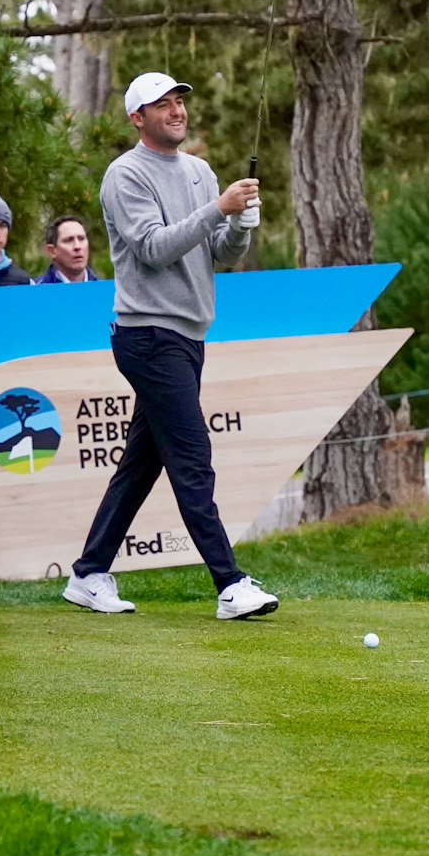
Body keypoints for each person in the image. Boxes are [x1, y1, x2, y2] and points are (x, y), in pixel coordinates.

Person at [63, 72, 279, 622]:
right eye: (162, 105)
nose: (176, 110)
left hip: (187, 334)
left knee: (142, 464)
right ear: (138, 117)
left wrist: (241, 224)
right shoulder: (125, 175)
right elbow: (155, 249)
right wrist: (219, 208)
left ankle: (89, 573)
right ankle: (229, 584)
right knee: (191, 457)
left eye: (179, 101)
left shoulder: (201, 172)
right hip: (146, 334)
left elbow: (217, 253)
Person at [32, 214, 102, 285]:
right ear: (52, 251)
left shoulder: (106, 289)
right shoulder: (35, 291)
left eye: (81, 238)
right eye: (68, 240)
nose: (77, 246)